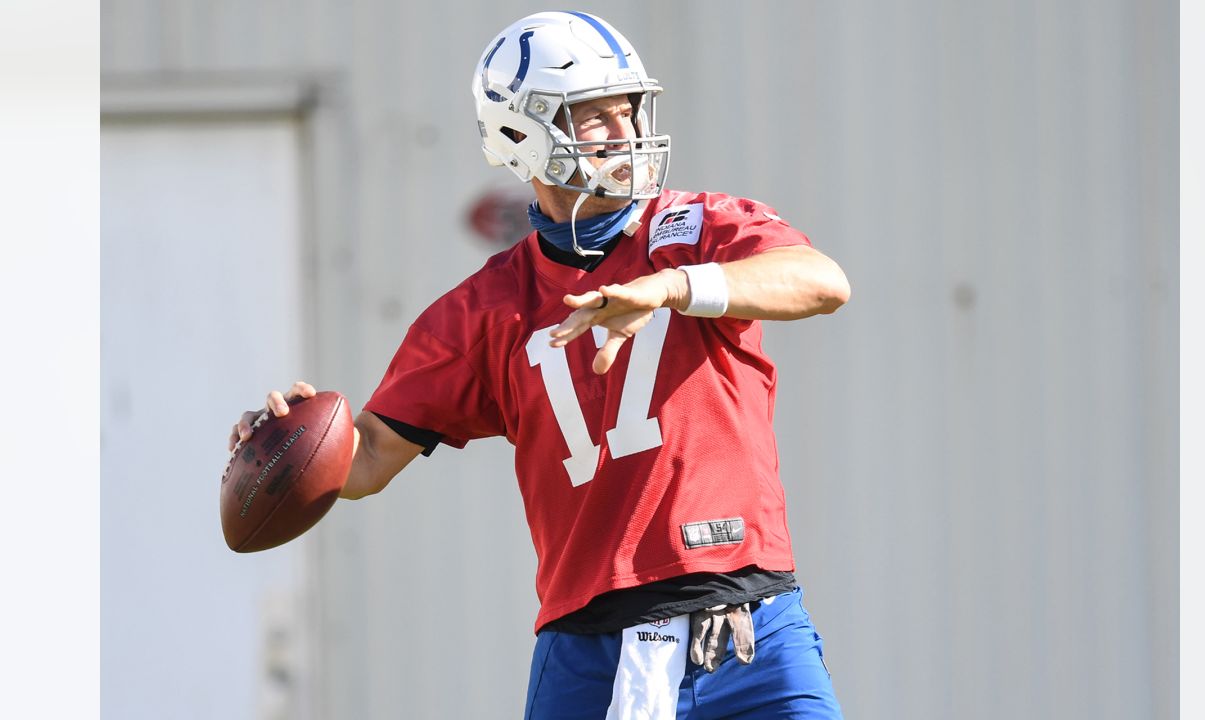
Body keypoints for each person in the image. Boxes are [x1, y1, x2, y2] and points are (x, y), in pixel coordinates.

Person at [231, 11, 849, 720]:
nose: (623, 132)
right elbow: (368, 457)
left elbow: (822, 281)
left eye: (628, 108)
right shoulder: (482, 310)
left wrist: (676, 286)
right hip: (590, 647)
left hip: (752, 622)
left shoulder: (697, 231)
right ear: (521, 134)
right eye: (592, 114)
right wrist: (289, 440)